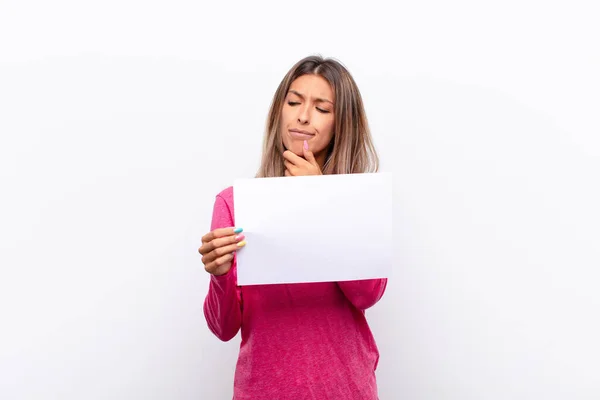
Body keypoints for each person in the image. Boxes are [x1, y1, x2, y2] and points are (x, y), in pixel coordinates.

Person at [198, 55, 387, 400]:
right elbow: (223, 328)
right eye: (294, 102)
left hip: (345, 389)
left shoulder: (358, 200)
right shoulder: (233, 203)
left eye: (322, 108)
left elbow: (368, 293)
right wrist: (221, 275)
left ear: (341, 123)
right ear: (279, 111)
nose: (302, 115)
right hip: (264, 390)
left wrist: (320, 200)